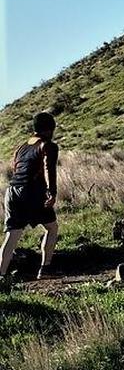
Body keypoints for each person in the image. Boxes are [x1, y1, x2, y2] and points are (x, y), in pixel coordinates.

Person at [1, 112, 60, 280]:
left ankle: (1, 276)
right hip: (31, 192)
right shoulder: (48, 145)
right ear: (50, 129)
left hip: (12, 191)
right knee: (52, 228)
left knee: (12, 235)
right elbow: (49, 169)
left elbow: (16, 167)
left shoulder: (22, 146)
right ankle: (45, 269)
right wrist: (52, 192)